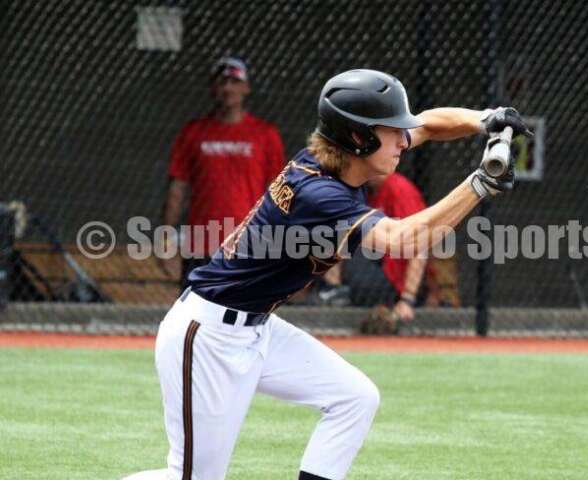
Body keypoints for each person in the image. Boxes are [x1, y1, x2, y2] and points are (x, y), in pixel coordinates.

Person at [123, 69, 528, 480]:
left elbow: (425, 124)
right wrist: (479, 185)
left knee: (355, 398)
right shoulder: (319, 195)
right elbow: (406, 239)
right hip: (208, 336)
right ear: (358, 138)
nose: (403, 141)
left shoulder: (336, 158)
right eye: (391, 132)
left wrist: (486, 118)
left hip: (256, 328)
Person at [160, 56, 285, 286]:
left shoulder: (265, 135)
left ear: (246, 88)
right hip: (201, 244)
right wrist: (166, 238)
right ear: (212, 88)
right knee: (194, 317)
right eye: (222, 82)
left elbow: (277, 193)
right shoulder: (193, 133)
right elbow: (177, 188)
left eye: (234, 82)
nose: (228, 88)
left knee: (244, 317)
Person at [317, 172, 428, 321]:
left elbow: (420, 243)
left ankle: (334, 292)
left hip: (395, 278)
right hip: (375, 264)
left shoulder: (399, 189)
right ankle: (333, 290)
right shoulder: (364, 190)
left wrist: (407, 298)